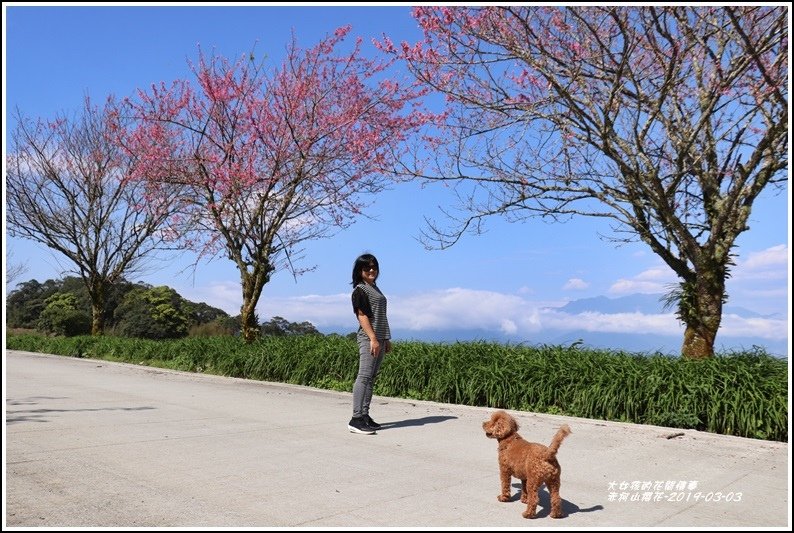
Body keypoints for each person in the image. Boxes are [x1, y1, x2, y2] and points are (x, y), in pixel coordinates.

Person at [348, 253, 392, 435]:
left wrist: (386, 338)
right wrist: (373, 338)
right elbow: (362, 316)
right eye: (367, 268)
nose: (372, 270)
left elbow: (381, 316)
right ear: (360, 271)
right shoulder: (360, 290)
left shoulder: (375, 288)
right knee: (364, 376)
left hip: (380, 338)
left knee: (371, 378)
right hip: (369, 338)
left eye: (374, 267)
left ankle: (365, 416)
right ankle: (356, 418)